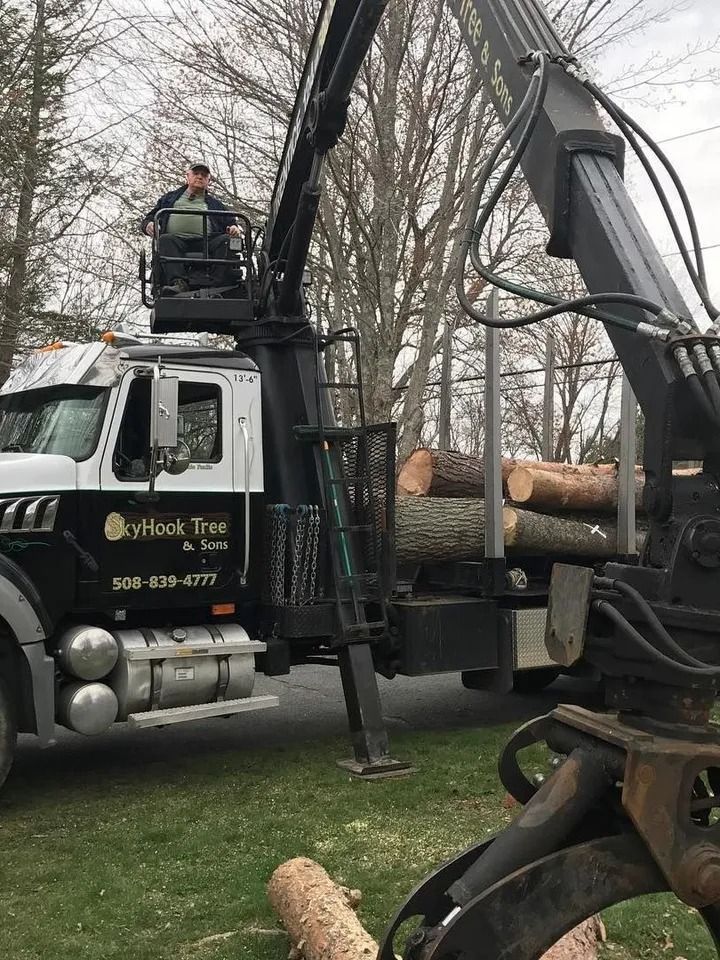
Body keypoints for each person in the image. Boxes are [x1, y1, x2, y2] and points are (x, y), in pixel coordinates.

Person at [140, 163, 241, 295]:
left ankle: (217, 285)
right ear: (187, 176)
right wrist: (148, 225)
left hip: (206, 242)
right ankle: (178, 283)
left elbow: (231, 222)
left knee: (226, 240)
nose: (200, 177)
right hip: (176, 242)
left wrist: (234, 228)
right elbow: (150, 217)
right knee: (165, 240)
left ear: (208, 181)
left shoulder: (215, 204)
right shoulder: (169, 199)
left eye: (204, 175)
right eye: (196, 174)